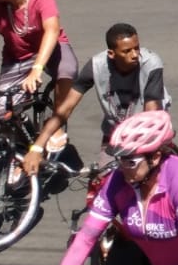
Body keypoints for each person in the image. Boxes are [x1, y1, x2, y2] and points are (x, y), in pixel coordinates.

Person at [48, 110, 178, 265]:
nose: (123, 168)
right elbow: (85, 239)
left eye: (131, 162)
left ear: (155, 157)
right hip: (158, 256)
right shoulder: (117, 182)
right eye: (120, 159)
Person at [24, 22, 170, 178]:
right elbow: (64, 109)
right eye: (127, 51)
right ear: (112, 54)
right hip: (115, 134)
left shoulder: (151, 63)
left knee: (149, 178)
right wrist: (37, 148)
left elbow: (151, 112)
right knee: (103, 184)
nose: (134, 55)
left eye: (136, 48)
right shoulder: (96, 66)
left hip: (147, 132)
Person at [0, 0, 79, 137]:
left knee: (67, 71)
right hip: (18, 56)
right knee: (3, 111)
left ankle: (56, 123)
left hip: (51, 48)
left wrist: (36, 69)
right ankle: (26, 143)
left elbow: (52, 31)